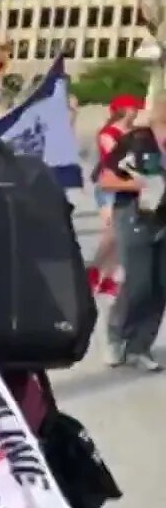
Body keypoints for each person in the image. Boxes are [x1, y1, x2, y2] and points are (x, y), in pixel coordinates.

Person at [98, 95, 166, 372]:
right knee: (139, 283)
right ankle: (117, 336)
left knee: (161, 285)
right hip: (135, 216)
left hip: (163, 218)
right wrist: (140, 184)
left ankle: (141, 346)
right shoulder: (138, 141)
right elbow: (106, 179)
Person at [89, 95, 141, 298]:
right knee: (112, 234)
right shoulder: (108, 133)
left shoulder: (133, 133)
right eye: (133, 107)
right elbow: (117, 157)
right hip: (110, 188)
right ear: (122, 109)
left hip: (128, 187)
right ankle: (94, 271)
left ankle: (107, 278)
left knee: (120, 237)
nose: (136, 111)